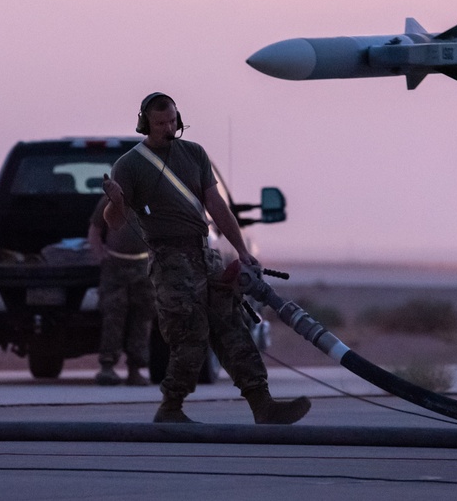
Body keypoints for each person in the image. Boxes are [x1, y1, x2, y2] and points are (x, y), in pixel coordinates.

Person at [101, 92, 311, 424]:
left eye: (172, 121)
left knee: (231, 326)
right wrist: (115, 201)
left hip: (202, 253)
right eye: (160, 124)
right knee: (189, 333)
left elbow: (216, 206)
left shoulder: (195, 154)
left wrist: (242, 251)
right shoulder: (129, 165)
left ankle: (262, 403)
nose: (168, 129)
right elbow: (113, 222)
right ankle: (171, 407)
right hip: (169, 260)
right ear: (145, 124)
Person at [87, 193, 154, 386]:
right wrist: (100, 255)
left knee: (142, 318)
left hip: (143, 266)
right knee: (113, 316)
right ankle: (107, 366)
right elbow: (95, 229)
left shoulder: (151, 197)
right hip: (115, 266)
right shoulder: (110, 199)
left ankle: (135, 368)